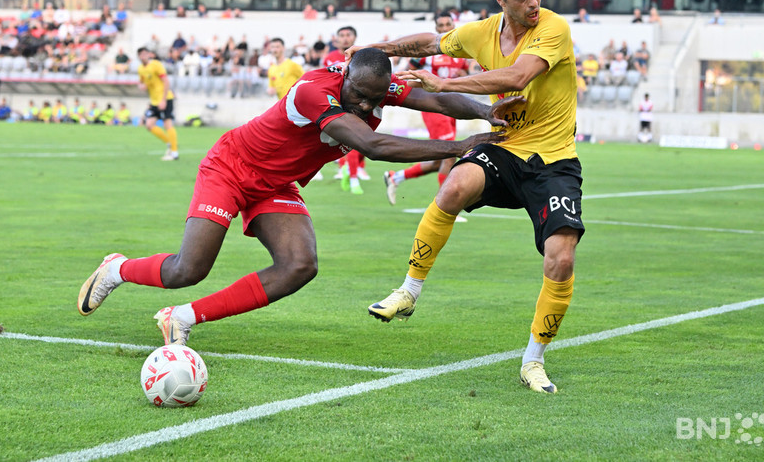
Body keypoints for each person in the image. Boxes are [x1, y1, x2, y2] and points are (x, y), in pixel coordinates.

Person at [77, 48, 514, 348]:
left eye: (375, 98)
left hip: (276, 183)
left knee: (300, 265)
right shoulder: (312, 91)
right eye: (359, 95)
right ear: (345, 76)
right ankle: (117, 268)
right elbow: (372, 146)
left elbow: (435, 100)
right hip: (230, 168)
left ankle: (182, 318)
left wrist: (485, 111)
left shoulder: (381, 91)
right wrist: (458, 147)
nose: (365, 105)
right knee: (187, 269)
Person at [347, 0, 584, 394]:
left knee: (562, 257)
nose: (534, 3)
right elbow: (429, 43)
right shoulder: (480, 33)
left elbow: (517, 77)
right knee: (455, 183)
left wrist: (445, 82)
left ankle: (533, 360)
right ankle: (409, 292)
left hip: (554, 160)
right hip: (506, 146)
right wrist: (379, 49)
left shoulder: (554, 28)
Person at [384, 12, 471, 205]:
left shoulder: (460, 52)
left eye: (448, 24)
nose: (445, 28)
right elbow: (407, 71)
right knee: (449, 154)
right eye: (441, 25)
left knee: (439, 161)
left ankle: (395, 177)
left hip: (453, 107)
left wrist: (462, 73)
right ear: (436, 28)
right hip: (435, 106)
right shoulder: (429, 54)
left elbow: (467, 72)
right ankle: (445, 206)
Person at [322, 26, 367, 193]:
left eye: (348, 35)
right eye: (342, 35)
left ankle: (352, 172)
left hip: (357, 103)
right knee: (348, 139)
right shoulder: (330, 58)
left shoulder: (362, 56)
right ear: (337, 39)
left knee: (358, 139)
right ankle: (351, 174)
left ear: (354, 37)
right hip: (335, 103)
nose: (345, 38)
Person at [137, 47, 179, 160]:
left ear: (149, 54)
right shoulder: (141, 69)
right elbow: (142, 82)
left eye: (145, 54)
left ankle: (174, 153)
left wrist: (164, 100)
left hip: (165, 98)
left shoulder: (156, 65)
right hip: (154, 101)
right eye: (141, 54)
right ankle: (170, 143)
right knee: (149, 125)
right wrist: (142, 86)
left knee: (167, 124)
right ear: (139, 57)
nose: (143, 56)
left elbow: (166, 81)